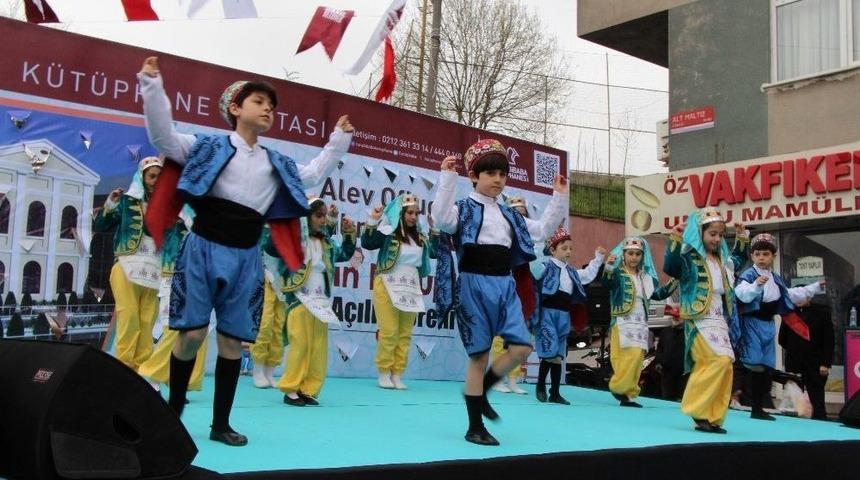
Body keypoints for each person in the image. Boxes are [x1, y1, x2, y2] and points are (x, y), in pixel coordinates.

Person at [138, 56, 354, 446]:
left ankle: (220, 425)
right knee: (189, 336)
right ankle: (173, 412)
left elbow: (315, 173)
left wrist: (338, 140)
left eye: (271, 105)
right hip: (202, 248)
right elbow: (163, 138)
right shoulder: (207, 147)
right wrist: (152, 86)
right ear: (235, 108)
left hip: (246, 257)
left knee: (233, 341)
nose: (268, 108)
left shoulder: (276, 163)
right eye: (258, 101)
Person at [432, 139, 568, 446]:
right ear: (474, 176)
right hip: (473, 285)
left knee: (521, 347)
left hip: (505, 286)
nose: (497, 179)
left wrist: (559, 196)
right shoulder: (463, 209)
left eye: (502, 174)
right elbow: (440, 219)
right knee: (479, 356)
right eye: (490, 173)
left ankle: (483, 392)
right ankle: (474, 425)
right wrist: (447, 178)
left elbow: (543, 231)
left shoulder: (510, 215)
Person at [664, 208, 749, 434]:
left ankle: (713, 417)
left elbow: (737, 261)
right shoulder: (688, 257)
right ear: (700, 233)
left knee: (726, 366)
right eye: (712, 234)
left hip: (719, 317)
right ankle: (697, 408)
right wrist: (674, 239)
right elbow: (671, 267)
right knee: (715, 361)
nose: (717, 239)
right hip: (699, 317)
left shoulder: (722, 259)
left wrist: (741, 239)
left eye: (720, 234)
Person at [272, 197, 356, 406]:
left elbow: (344, 254)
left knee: (318, 346)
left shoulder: (326, 242)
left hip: (321, 300)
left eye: (324, 216)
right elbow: (272, 247)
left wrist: (348, 234)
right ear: (306, 217)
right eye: (318, 215)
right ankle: (291, 388)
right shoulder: (295, 239)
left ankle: (309, 389)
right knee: (300, 342)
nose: (322, 220)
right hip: (299, 296)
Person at [734, 233, 824, 420]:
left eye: (765, 254)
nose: (761, 258)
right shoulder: (749, 275)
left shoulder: (775, 278)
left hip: (768, 325)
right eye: (757, 254)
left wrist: (814, 287)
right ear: (752, 256)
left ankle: (759, 408)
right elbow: (741, 294)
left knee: (766, 366)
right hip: (752, 323)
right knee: (753, 364)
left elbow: (789, 295)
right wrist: (756, 286)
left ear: (773, 256)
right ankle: (751, 403)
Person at [94, 156, 164, 372]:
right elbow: (102, 225)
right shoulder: (127, 201)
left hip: (153, 268)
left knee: (147, 320)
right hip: (126, 265)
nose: (156, 181)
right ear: (142, 177)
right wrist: (111, 203)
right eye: (152, 176)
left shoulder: (167, 207)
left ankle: (142, 370)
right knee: (129, 315)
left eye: (160, 178)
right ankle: (123, 368)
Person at [362, 194, 438, 390]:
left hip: (411, 286)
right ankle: (384, 372)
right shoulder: (389, 232)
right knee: (388, 331)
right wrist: (374, 219)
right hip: (387, 283)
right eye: (409, 213)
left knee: (405, 333)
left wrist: (435, 229)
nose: (413, 217)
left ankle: (397, 373)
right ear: (401, 214)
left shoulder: (420, 238)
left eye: (416, 213)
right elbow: (368, 243)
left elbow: (435, 253)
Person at [532, 227, 606, 405]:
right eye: (564, 248)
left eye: (571, 248)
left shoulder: (572, 272)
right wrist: (538, 246)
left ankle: (555, 392)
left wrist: (598, 258)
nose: (568, 252)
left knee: (558, 355)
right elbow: (533, 269)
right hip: (547, 314)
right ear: (553, 250)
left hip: (563, 316)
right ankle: (541, 385)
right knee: (549, 352)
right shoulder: (545, 266)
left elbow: (587, 275)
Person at [602, 237, 677, 408]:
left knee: (637, 358)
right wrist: (608, 267)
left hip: (640, 322)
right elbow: (607, 284)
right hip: (622, 320)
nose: (634, 257)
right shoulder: (618, 272)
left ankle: (627, 393)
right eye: (630, 253)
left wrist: (675, 281)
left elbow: (657, 295)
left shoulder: (645, 276)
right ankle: (620, 388)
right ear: (624, 254)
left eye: (637, 254)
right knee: (621, 358)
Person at [779, 298, 834, 420]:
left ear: (809, 297)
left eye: (802, 296)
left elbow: (829, 341)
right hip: (794, 363)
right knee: (794, 401)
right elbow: (782, 339)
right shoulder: (789, 314)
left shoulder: (822, 314)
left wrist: (825, 363)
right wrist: (795, 348)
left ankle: (821, 426)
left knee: (817, 401)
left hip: (815, 364)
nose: (798, 300)